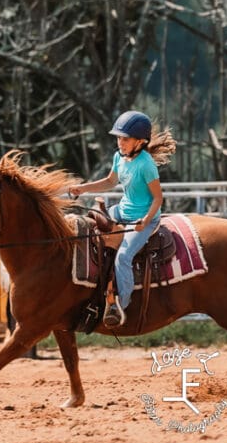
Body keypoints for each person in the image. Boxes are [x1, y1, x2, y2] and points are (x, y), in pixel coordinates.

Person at [69, 111, 175, 328]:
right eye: (118, 138)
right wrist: (83, 188)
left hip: (145, 219)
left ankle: (120, 304)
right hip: (122, 211)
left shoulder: (146, 165)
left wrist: (146, 220)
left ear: (140, 142)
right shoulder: (119, 157)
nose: (120, 142)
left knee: (124, 257)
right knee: (90, 223)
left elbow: (158, 198)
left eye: (125, 139)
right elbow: (110, 181)